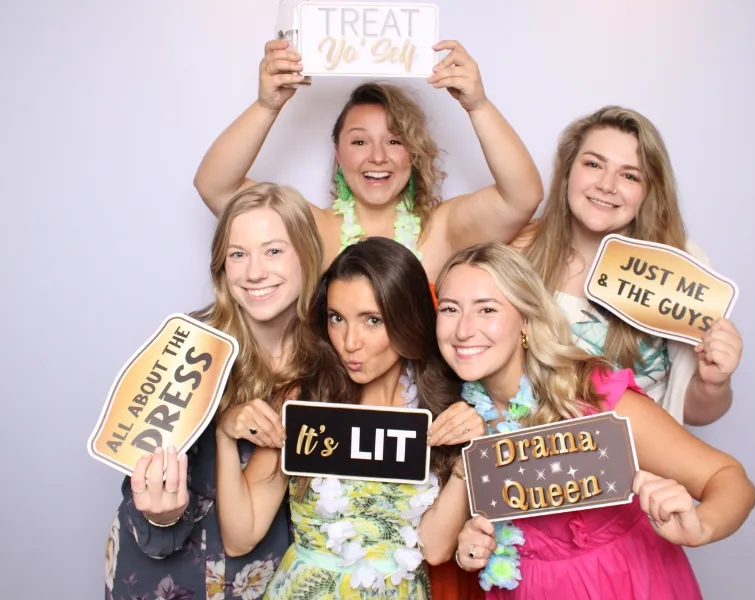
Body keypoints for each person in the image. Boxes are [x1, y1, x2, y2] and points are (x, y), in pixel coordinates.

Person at [433, 243, 755, 598]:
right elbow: (443, 543)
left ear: (526, 318)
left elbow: (729, 479)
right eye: (450, 309)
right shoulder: (457, 418)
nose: (463, 330)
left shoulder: (592, 396)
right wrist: (472, 548)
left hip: (622, 583)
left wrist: (701, 529)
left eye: (486, 309)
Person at [215, 237, 486, 599]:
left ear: (408, 320)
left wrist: (471, 455)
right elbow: (240, 536)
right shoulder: (304, 402)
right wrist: (224, 434)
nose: (349, 342)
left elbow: (434, 548)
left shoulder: (441, 413)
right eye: (336, 318)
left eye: (372, 320)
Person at [104, 182, 324, 599]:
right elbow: (136, 466)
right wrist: (161, 517)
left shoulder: (332, 359)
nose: (254, 272)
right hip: (162, 574)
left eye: (274, 251)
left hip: (265, 576)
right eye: (238, 254)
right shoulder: (188, 345)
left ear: (307, 254)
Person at [193, 38, 544, 284]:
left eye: (395, 140)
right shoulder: (310, 229)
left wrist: (478, 105)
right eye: (359, 141)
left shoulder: (444, 229)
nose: (378, 156)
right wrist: (267, 106)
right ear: (338, 154)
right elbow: (215, 186)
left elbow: (522, 197)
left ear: (414, 152)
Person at [513, 106, 743, 426]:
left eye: (629, 175)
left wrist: (713, 382)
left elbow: (691, 412)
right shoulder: (520, 252)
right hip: (538, 461)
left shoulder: (679, 265)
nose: (607, 185)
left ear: (649, 190)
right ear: (568, 171)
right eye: (593, 164)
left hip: (643, 465)